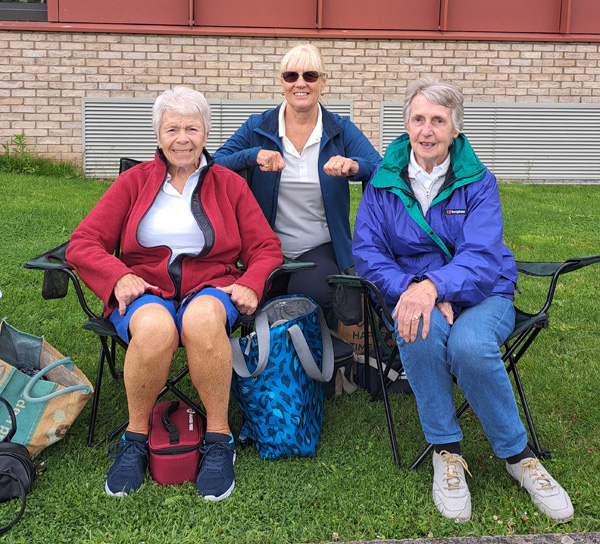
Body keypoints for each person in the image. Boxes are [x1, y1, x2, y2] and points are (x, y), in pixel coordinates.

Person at [352, 76, 574, 523]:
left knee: (470, 346)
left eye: (438, 120)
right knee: (417, 327)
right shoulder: (383, 182)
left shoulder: (478, 181)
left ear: (456, 129)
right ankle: (447, 452)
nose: (427, 130)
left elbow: (482, 255)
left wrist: (437, 287)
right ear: (406, 126)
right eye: (419, 119)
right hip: (416, 292)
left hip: (484, 290)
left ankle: (519, 457)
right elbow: (369, 255)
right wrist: (420, 289)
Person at [66, 86, 282, 501]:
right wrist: (116, 276)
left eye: (192, 128)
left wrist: (251, 283)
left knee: (201, 322)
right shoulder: (134, 182)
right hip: (146, 288)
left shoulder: (230, 184)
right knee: (154, 328)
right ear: (157, 135)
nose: (182, 138)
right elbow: (83, 242)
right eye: (172, 129)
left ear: (206, 133)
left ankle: (219, 440)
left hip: (211, 286)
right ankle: (135, 439)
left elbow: (265, 247)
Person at [213, 43, 381, 313]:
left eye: (310, 76)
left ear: (323, 83)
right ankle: (277, 347)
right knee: (264, 294)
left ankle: (309, 350)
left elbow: (380, 168)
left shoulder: (340, 129)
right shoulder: (257, 127)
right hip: (266, 246)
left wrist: (352, 166)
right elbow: (213, 164)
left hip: (321, 245)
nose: (300, 83)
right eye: (291, 76)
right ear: (282, 83)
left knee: (312, 292)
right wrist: (252, 155)